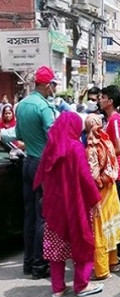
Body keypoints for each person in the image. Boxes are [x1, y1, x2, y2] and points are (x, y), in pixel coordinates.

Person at [34, 112, 104, 297]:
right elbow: (85, 177)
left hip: (55, 206)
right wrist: (96, 199)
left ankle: (58, 288)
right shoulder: (75, 147)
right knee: (81, 241)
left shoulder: (51, 148)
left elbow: (42, 176)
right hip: (76, 204)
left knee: (56, 247)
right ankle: (81, 285)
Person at [15, 66, 58, 279]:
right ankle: (40, 266)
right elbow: (54, 138)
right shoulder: (44, 108)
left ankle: (29, 262)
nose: (53, 88)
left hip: (28, 163)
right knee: (43, 216)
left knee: (30, 215)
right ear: (46, 84)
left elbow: (18, 135)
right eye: (52, 84)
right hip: (43, 165)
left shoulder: (21, 105)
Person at [85, 114, 120, 280]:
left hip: (100, 190)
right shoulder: (107, 141)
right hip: (111, 187)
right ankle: (113, 261)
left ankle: (101, 269)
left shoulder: (92, 148)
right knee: (111, 225)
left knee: (99, 228)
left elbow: (93, 174)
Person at [100, 85, 120, 263]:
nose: (99, 100)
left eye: (102, 97)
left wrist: (102, 156)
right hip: (111, 173)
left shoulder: (115, 121)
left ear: (110, 101)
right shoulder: (109, 120)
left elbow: (119, 147)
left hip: (116, 174)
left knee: (119, 215)